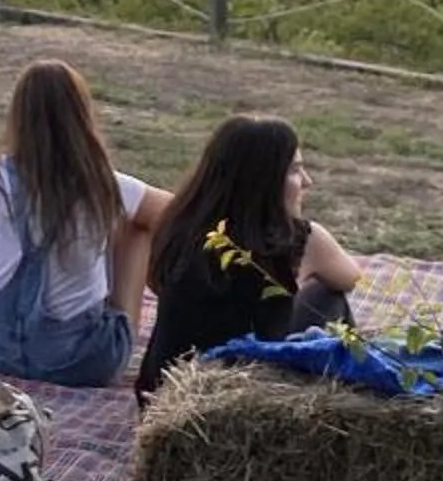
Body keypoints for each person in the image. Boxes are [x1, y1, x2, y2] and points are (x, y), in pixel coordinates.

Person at [0, 61, 172, 387]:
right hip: (77, 364)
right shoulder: (101, 184)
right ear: (82, 116)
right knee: (136, 226)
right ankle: (124, 330)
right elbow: (175, 211)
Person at [134, 115, 363, 401]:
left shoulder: (176, 226)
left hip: (162, 396)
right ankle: (345, 397)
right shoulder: (301, 240)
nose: (307, 182)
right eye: (295, 170)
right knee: (328, 297)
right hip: (240, 402)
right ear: (264, 180)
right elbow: (351, 277)